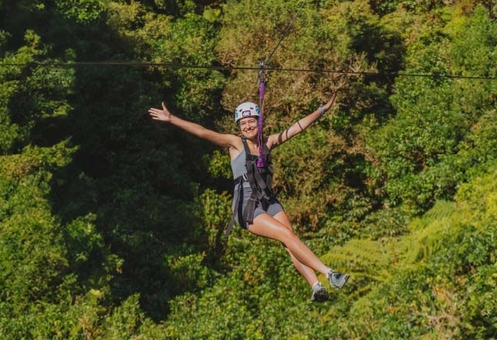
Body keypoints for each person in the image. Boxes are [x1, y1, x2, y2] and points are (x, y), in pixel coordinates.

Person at [149, 96, 349, 301]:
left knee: (290, 238)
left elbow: (297, 127)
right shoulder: (235, 144)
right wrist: (172, 118)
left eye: (251, 121)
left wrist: (321, 110)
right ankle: (329, 273)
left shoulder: (268, 142)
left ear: (259, 121)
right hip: (247, 207)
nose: (247, 126)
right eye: (243, 123)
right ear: (239, 127)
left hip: (267, 200)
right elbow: (202, 132)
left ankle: (315, 285)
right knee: (286, 235)